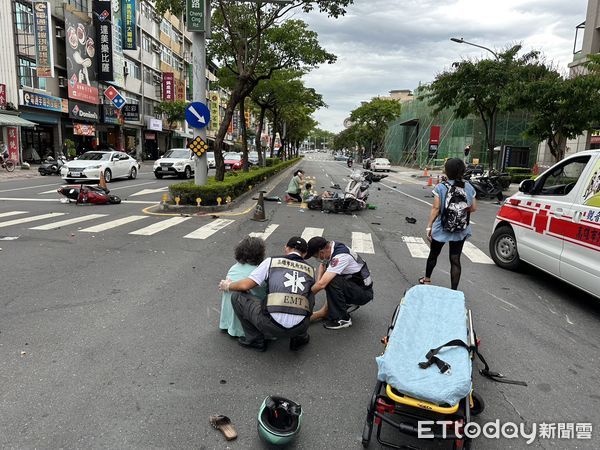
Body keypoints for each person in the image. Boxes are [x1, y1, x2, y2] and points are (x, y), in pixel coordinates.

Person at [218, 237, 315, 352]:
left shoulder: (271, 262)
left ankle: (255, 340)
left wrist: (228, 286)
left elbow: (245, 286)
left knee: (236, 297)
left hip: (271, 325)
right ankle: (300, 337)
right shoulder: (310, 270)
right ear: (304, 254)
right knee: (309, 294)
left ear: (286, 248)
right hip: (300, 327)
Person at [420, 158, 477, 290]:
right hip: (460, 229)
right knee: (455, 259)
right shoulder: (468, 187)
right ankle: (454, 290)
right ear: (462, 171)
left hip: (442, 228)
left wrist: (429, 226)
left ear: (447, 171)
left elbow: (435, 208)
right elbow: (473, 208)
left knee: (433, 255)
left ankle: (427, 279)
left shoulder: (441, 187)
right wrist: (461, 210)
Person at [305, 237, 373, 330]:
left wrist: (305, 297)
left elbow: (322, 284)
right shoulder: (332, 247)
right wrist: (318, 281)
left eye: (315, 256)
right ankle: (344, 303)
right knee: (328, 277)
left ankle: (343, 319)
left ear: (321, 252)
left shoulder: (340, 256)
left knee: (331, 281)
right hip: (355, 285)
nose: (317, 258)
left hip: (363, 292)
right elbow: (323, 265)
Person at [219, 237, 267, 337]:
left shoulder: (234, 268)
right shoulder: (258, 272)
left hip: (228, 321)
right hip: (245, 322)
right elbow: (262, 295)